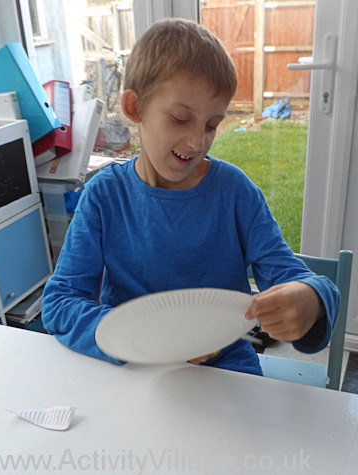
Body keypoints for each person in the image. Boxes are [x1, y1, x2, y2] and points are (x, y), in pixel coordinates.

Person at [41, 18, 339, 376]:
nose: (198, 141)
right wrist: (139, 335)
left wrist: (313, 298)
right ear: (134, 107)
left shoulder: (234, 193)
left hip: (225, 371)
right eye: (181, 119)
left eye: (211, 125)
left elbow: (291, 275)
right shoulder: (104, 196)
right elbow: (60, 303)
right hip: (132, 370)